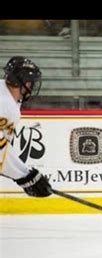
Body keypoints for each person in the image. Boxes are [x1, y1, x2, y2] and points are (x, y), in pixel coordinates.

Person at [0, 56, 52, 198]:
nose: (31, 86)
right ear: (22, 81)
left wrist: (25, 174)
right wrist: (25, 176)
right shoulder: (5, 106)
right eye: (30, 82)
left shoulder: (5, 95)